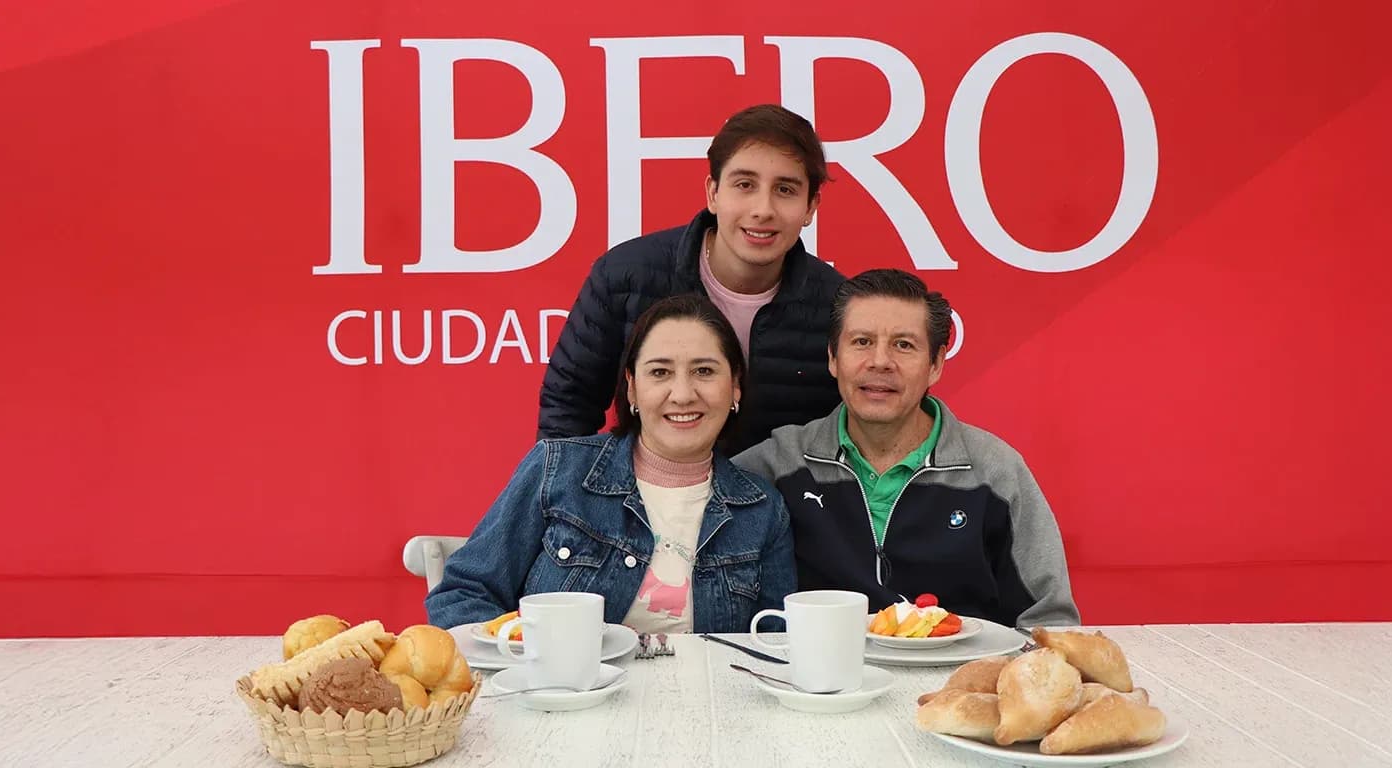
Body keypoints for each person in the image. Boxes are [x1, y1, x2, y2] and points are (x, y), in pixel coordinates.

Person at [733, 269, 1080, 628]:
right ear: (833, 359)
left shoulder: (996, 472)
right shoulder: (777, 464)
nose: (880, 361)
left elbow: (1051, 623)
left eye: (903, 345)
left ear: (936, 364)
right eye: (862, 342)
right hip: (826, 681)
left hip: (960, 679)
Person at [429, 295, 796, 633]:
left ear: (735, 388)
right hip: (561, 699)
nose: (683, 394)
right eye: (660, 372)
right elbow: (463, 595)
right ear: (632, 388)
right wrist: (526, 662)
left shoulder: (762, 510)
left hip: (709, 704)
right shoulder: (558, 469)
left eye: (704, 371)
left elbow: (773, 643)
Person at [537, 104, 845, 455]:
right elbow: (568, 404)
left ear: (810, 207)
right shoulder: (625, 276)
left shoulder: (837, 306)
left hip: (777, 505)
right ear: (713, 193)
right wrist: (573, 501)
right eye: (744, 184)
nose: (763, 209)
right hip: (640, 498)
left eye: (785, 190)